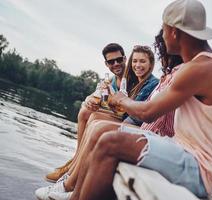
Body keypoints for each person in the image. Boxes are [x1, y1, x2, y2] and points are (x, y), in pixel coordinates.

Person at [66, 0, 212, 199]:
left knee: (110, 143)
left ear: (174, 32)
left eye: (164, 30)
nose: (163, 36)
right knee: (104, 130)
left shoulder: (202, 68)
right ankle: (74, 195)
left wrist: (121, 99)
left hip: (199, 169)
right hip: (181, 149)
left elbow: (147, 113)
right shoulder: (207, 63)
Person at [34, 30, 183, 200]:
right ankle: (73, 166)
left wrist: (117, 102)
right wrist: (93, 99)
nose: (137, 65)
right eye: (135, 61)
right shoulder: (133, 79)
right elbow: (110, 98)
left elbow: (135, 114)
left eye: (142, 61)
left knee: (98, 124)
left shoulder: (150, 82)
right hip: (134, 121)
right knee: (88, 114)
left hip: (138, 125)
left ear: (150, 63)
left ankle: (70, 181)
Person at [45, 43, 158, 183]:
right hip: (124, 115)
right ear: (107, 64)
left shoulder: (136, 77)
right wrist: (90, 100)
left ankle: (74, 171)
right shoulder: (111, 80)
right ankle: (76, 159)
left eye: (119, 60)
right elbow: (97, 95)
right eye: (111, 61)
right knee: (86, 112)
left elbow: (130, 110)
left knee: (95, 119)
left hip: (130, 119)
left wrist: (112, 100)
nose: (116, 64)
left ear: (124, 59)